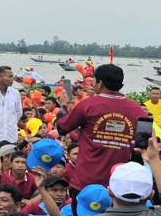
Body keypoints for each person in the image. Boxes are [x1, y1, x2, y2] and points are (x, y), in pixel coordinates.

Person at [56, 63, 145, 192]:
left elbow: (62, 128)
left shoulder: (87, 105)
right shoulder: (139, 111)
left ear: (100, 83)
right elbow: (142, 149)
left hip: (85, 183)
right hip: (119, 185)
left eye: (94, 80)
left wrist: (63, 106)